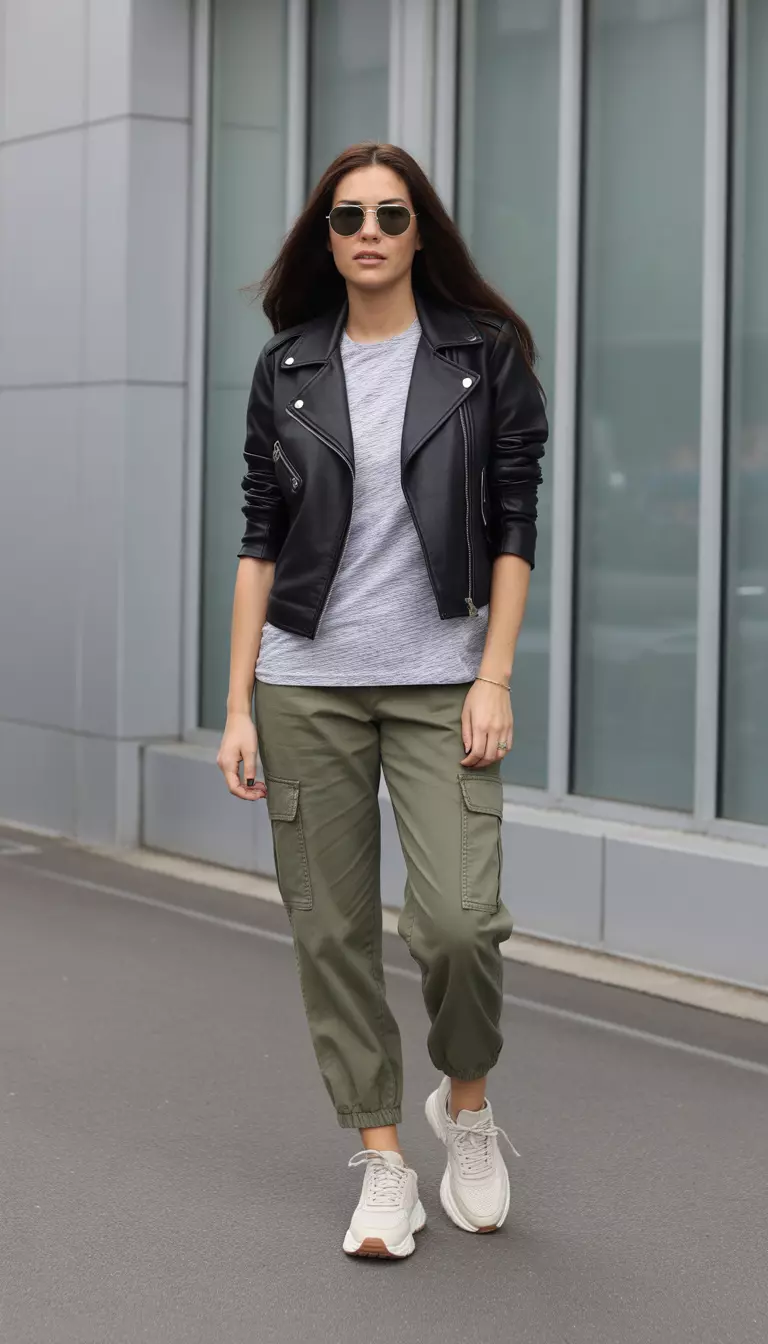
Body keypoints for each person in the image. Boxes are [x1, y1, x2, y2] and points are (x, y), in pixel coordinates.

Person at [217, 142, 547, 1259]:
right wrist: (237, 704)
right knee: (333, 931)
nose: (370, 232)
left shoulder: (481, 356)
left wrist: (494, 674)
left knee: (459, 923)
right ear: (327, 236)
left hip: (442, 682)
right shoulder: (288, 367)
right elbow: (260, 540)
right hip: (304, 685)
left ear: (419, 233)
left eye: (392, 215)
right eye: (350, 215)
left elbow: (514, 526)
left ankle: (467, 1106)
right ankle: (384, 1159)